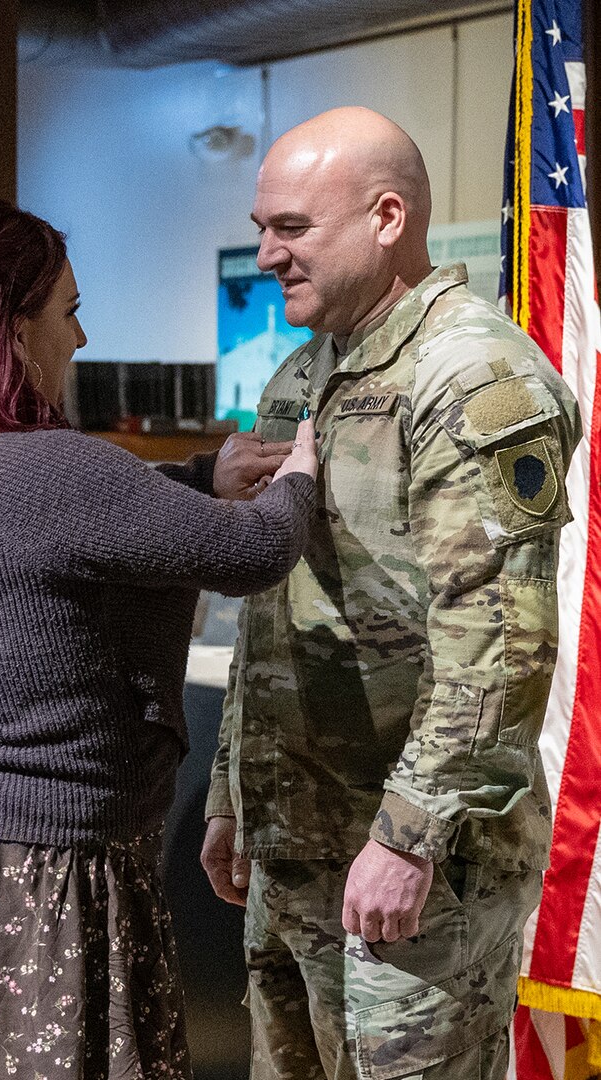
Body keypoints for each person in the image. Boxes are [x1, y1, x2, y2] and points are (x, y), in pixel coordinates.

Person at [0, 197, 318, 1080]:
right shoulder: (42, 468)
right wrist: (304, 468)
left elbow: (79, 527)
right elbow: (250, 553)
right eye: (68, 312)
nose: (84, 338)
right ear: (10, 328)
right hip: (47, 870)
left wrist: (197, 475)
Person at [201, 106, 582, 1080]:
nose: (265, 253)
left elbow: (498, 640)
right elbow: (271, 609)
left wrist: (409, 840)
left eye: (291, 228)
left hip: (413, 867)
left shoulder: (470, 374)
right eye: (261, 228)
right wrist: (229, 792)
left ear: (385, 216)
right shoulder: (303, 373)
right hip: (295, 851)